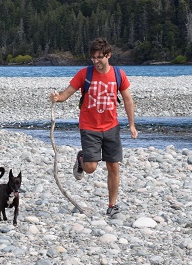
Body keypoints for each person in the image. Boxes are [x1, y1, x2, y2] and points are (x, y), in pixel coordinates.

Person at [49, 38, 138, 216]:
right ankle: (82, 159)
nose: (96, 61)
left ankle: (112, 206)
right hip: (89, 127)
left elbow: (128, 100)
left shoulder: (119, 75)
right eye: (93, 58)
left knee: (113, 166)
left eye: (99, 57)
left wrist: (132, 125)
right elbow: (66, 94)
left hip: (112, 127)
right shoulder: (84, 74)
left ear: (108, 55)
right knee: (90, 168)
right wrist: (56, 97)